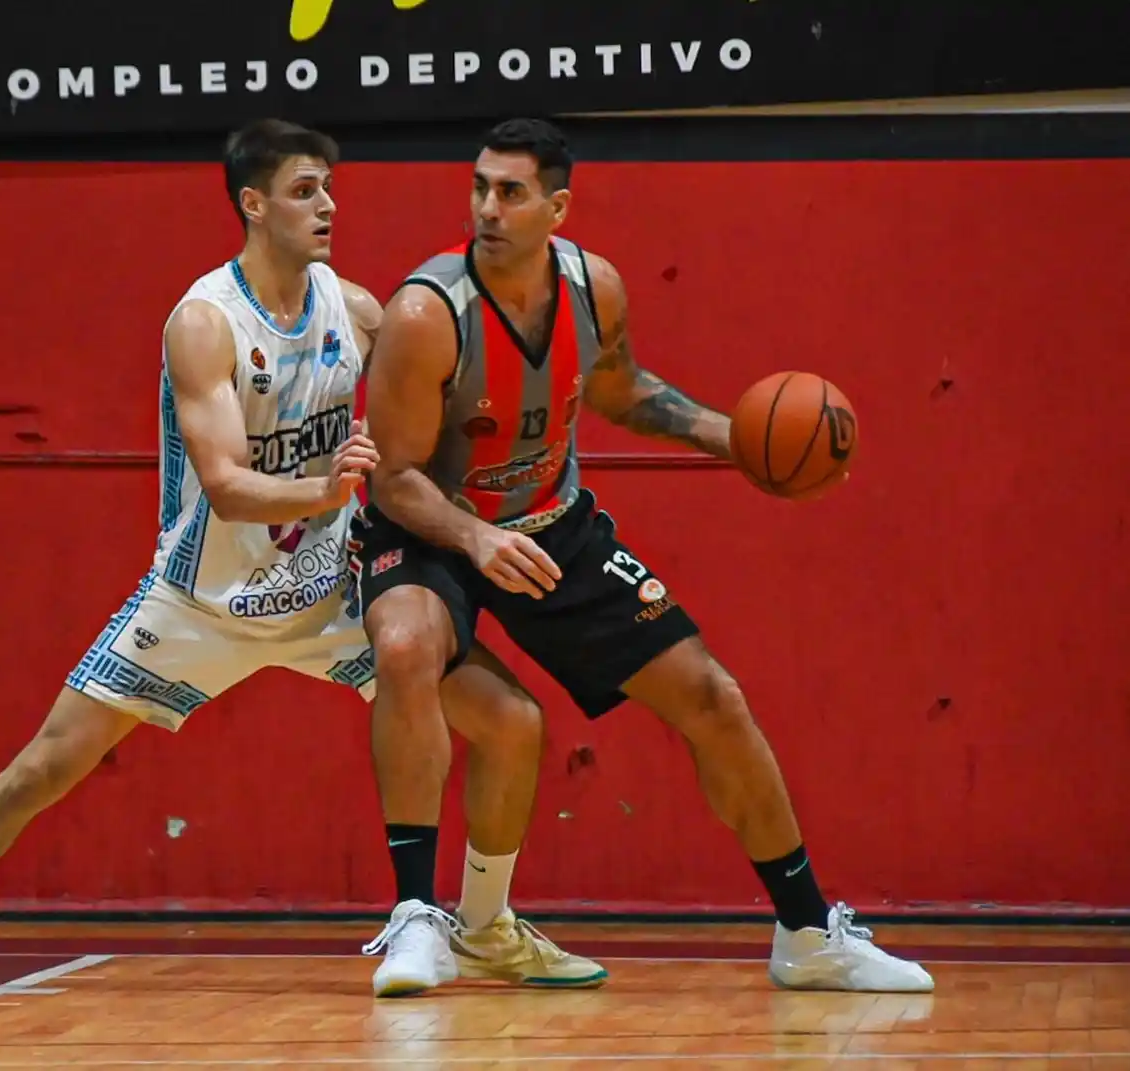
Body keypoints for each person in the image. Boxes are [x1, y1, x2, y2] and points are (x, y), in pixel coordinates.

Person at [0, 118, 604, 998]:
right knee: (43, 766)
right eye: (305, 190)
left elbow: (437, 408)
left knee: (509, 721)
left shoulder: (354, 309)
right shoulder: (205, 322)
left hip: (331, 590)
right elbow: (229, 485)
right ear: (253, 204)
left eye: (329, 188)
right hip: (201, 599)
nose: (328, 205)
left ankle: (484, 924)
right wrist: (325, 490)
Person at [349, 117, 934, 993]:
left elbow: (621, 390)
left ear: (557, 207)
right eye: (479, 187)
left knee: (713, 696)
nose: (488, 208)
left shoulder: (595, 289)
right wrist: (476, 536)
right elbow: (393, 477)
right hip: (434, 530)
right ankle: (413, 919)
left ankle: (808, 932)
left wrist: (734, 439)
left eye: (510, 191)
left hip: (551, 522)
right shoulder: (425, 314)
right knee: (404, 646)